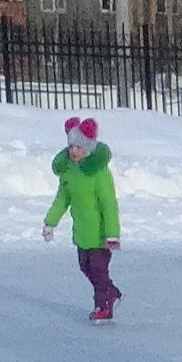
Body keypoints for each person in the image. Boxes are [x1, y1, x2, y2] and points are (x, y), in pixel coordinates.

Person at [42, 117, 123, 322]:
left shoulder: (99, 173)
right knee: (85, 266)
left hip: (100, 234)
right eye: (71, 146)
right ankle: (110, 292)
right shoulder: (69, 171)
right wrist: (50, 222)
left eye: (79, 147)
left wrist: (112, 233)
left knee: (98, 269)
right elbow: (62, 199)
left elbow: (109, 204)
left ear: (88, 147)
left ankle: (103, 305)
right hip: (82, 231)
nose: (74, 151)